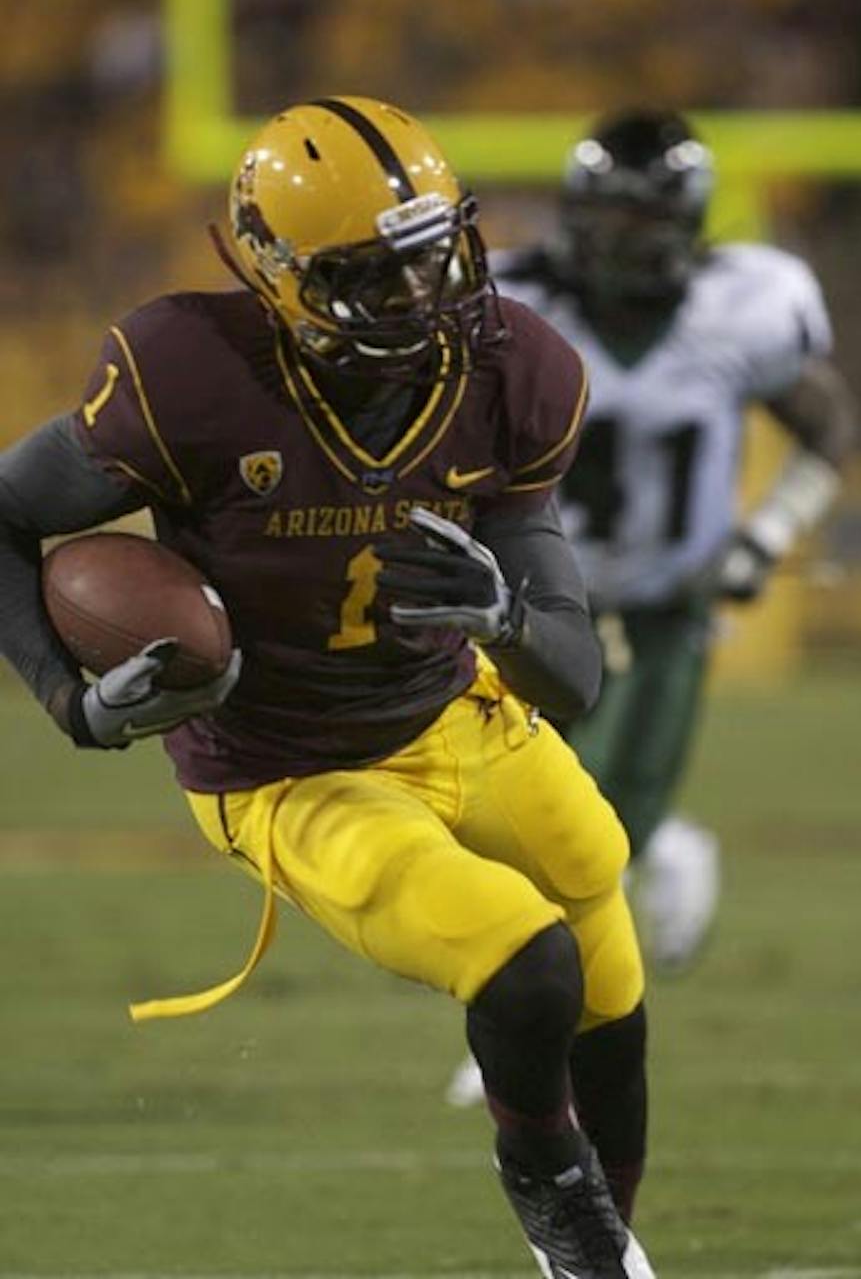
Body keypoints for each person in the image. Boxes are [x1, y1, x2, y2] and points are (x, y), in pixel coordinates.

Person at [0, 97, 657, 1279]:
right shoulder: (188, 374)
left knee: (605, 942)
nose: (420, 299)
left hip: (449, 709)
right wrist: (67, 699)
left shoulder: (514, 370)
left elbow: (577, 672)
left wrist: (503, 616)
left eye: (431, 256)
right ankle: (575, 1245)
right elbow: (5, 512)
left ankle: (611, 1248)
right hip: (285, 765)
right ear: (281, 278)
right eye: (372, 276)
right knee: (524, 959)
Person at [447, 107, 856, 1106]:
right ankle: (662, 851)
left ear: (690, 224)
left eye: (650, 223)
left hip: (674, 598)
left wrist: (762, 538)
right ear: (578, 217)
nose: (629, 244)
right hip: (542, 601)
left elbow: (827, 423)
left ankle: (531, 1021)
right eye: (614, 221)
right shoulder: (510, 302)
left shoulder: (743, 304)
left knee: (598, 815)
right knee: (516, 811)